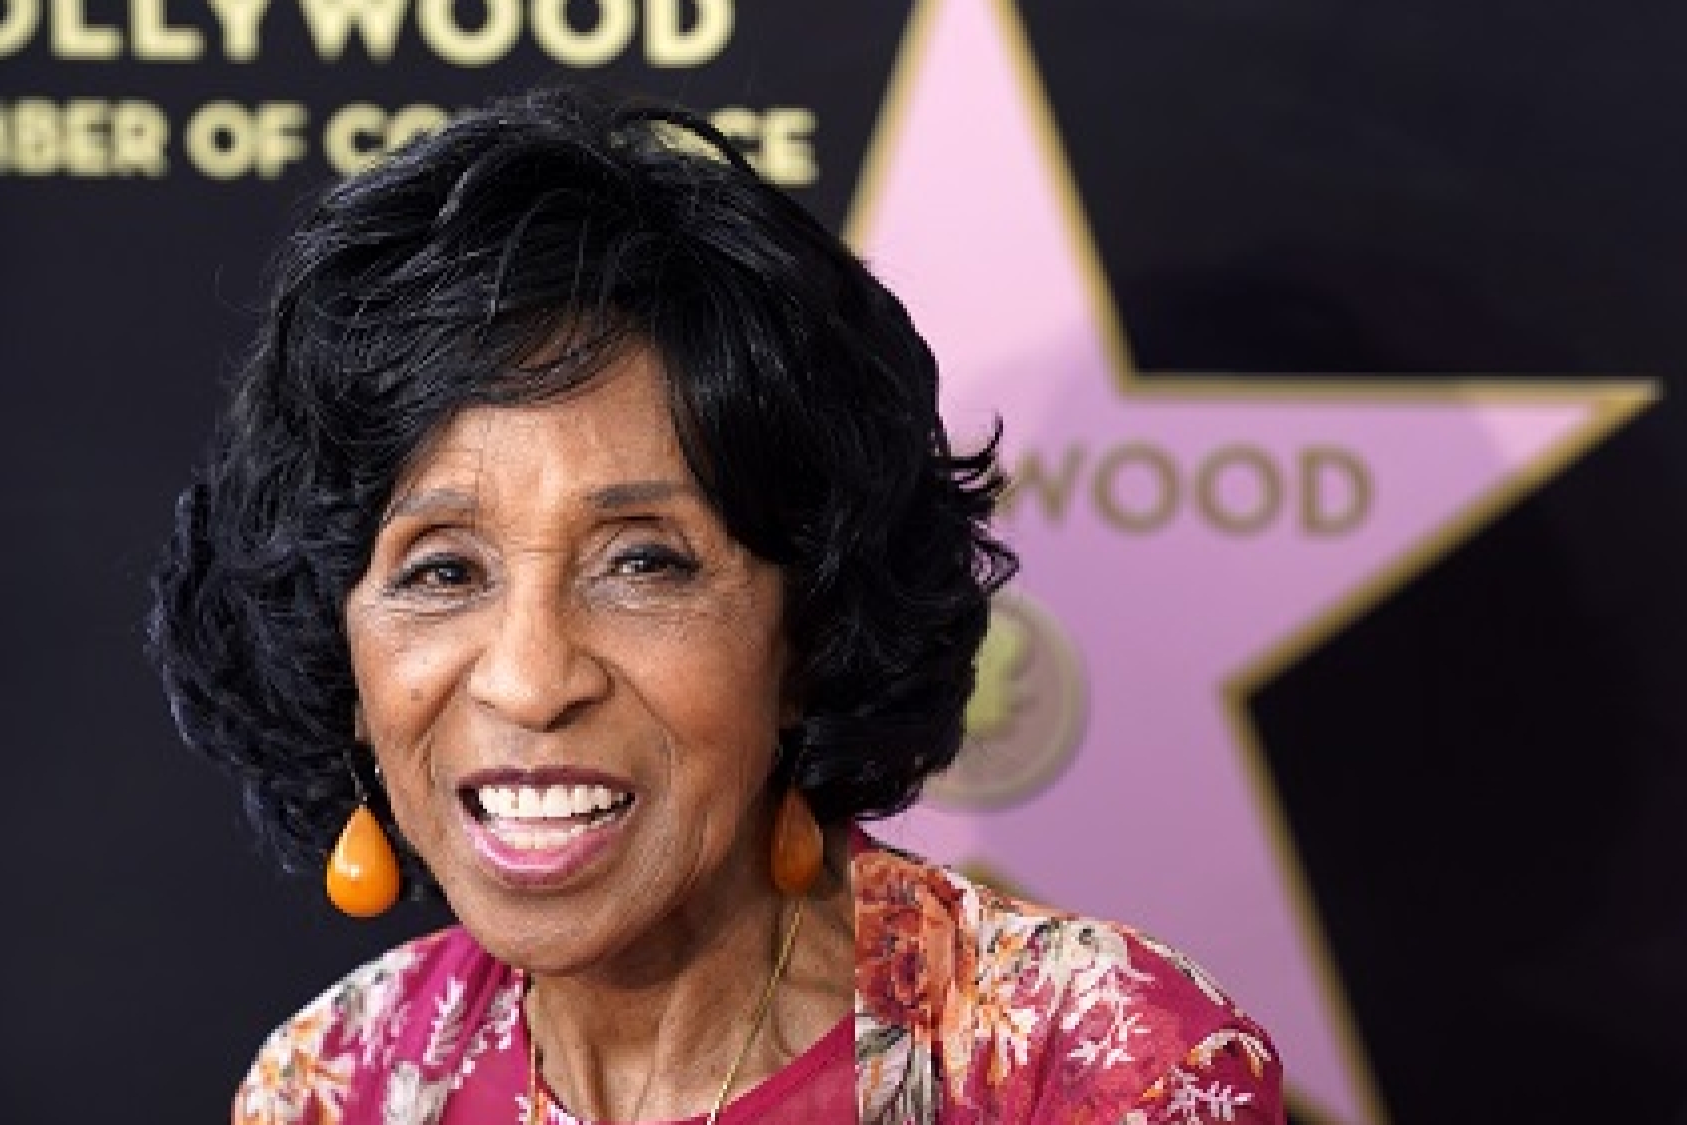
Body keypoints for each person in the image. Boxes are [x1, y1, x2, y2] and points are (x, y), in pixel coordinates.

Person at [149, 87, 1282, 1124]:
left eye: (643, 562)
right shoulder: (335, 1083)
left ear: (807, 633)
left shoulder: (1092, 1065)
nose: (532, 680)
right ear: (339, 664)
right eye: (441, 570)